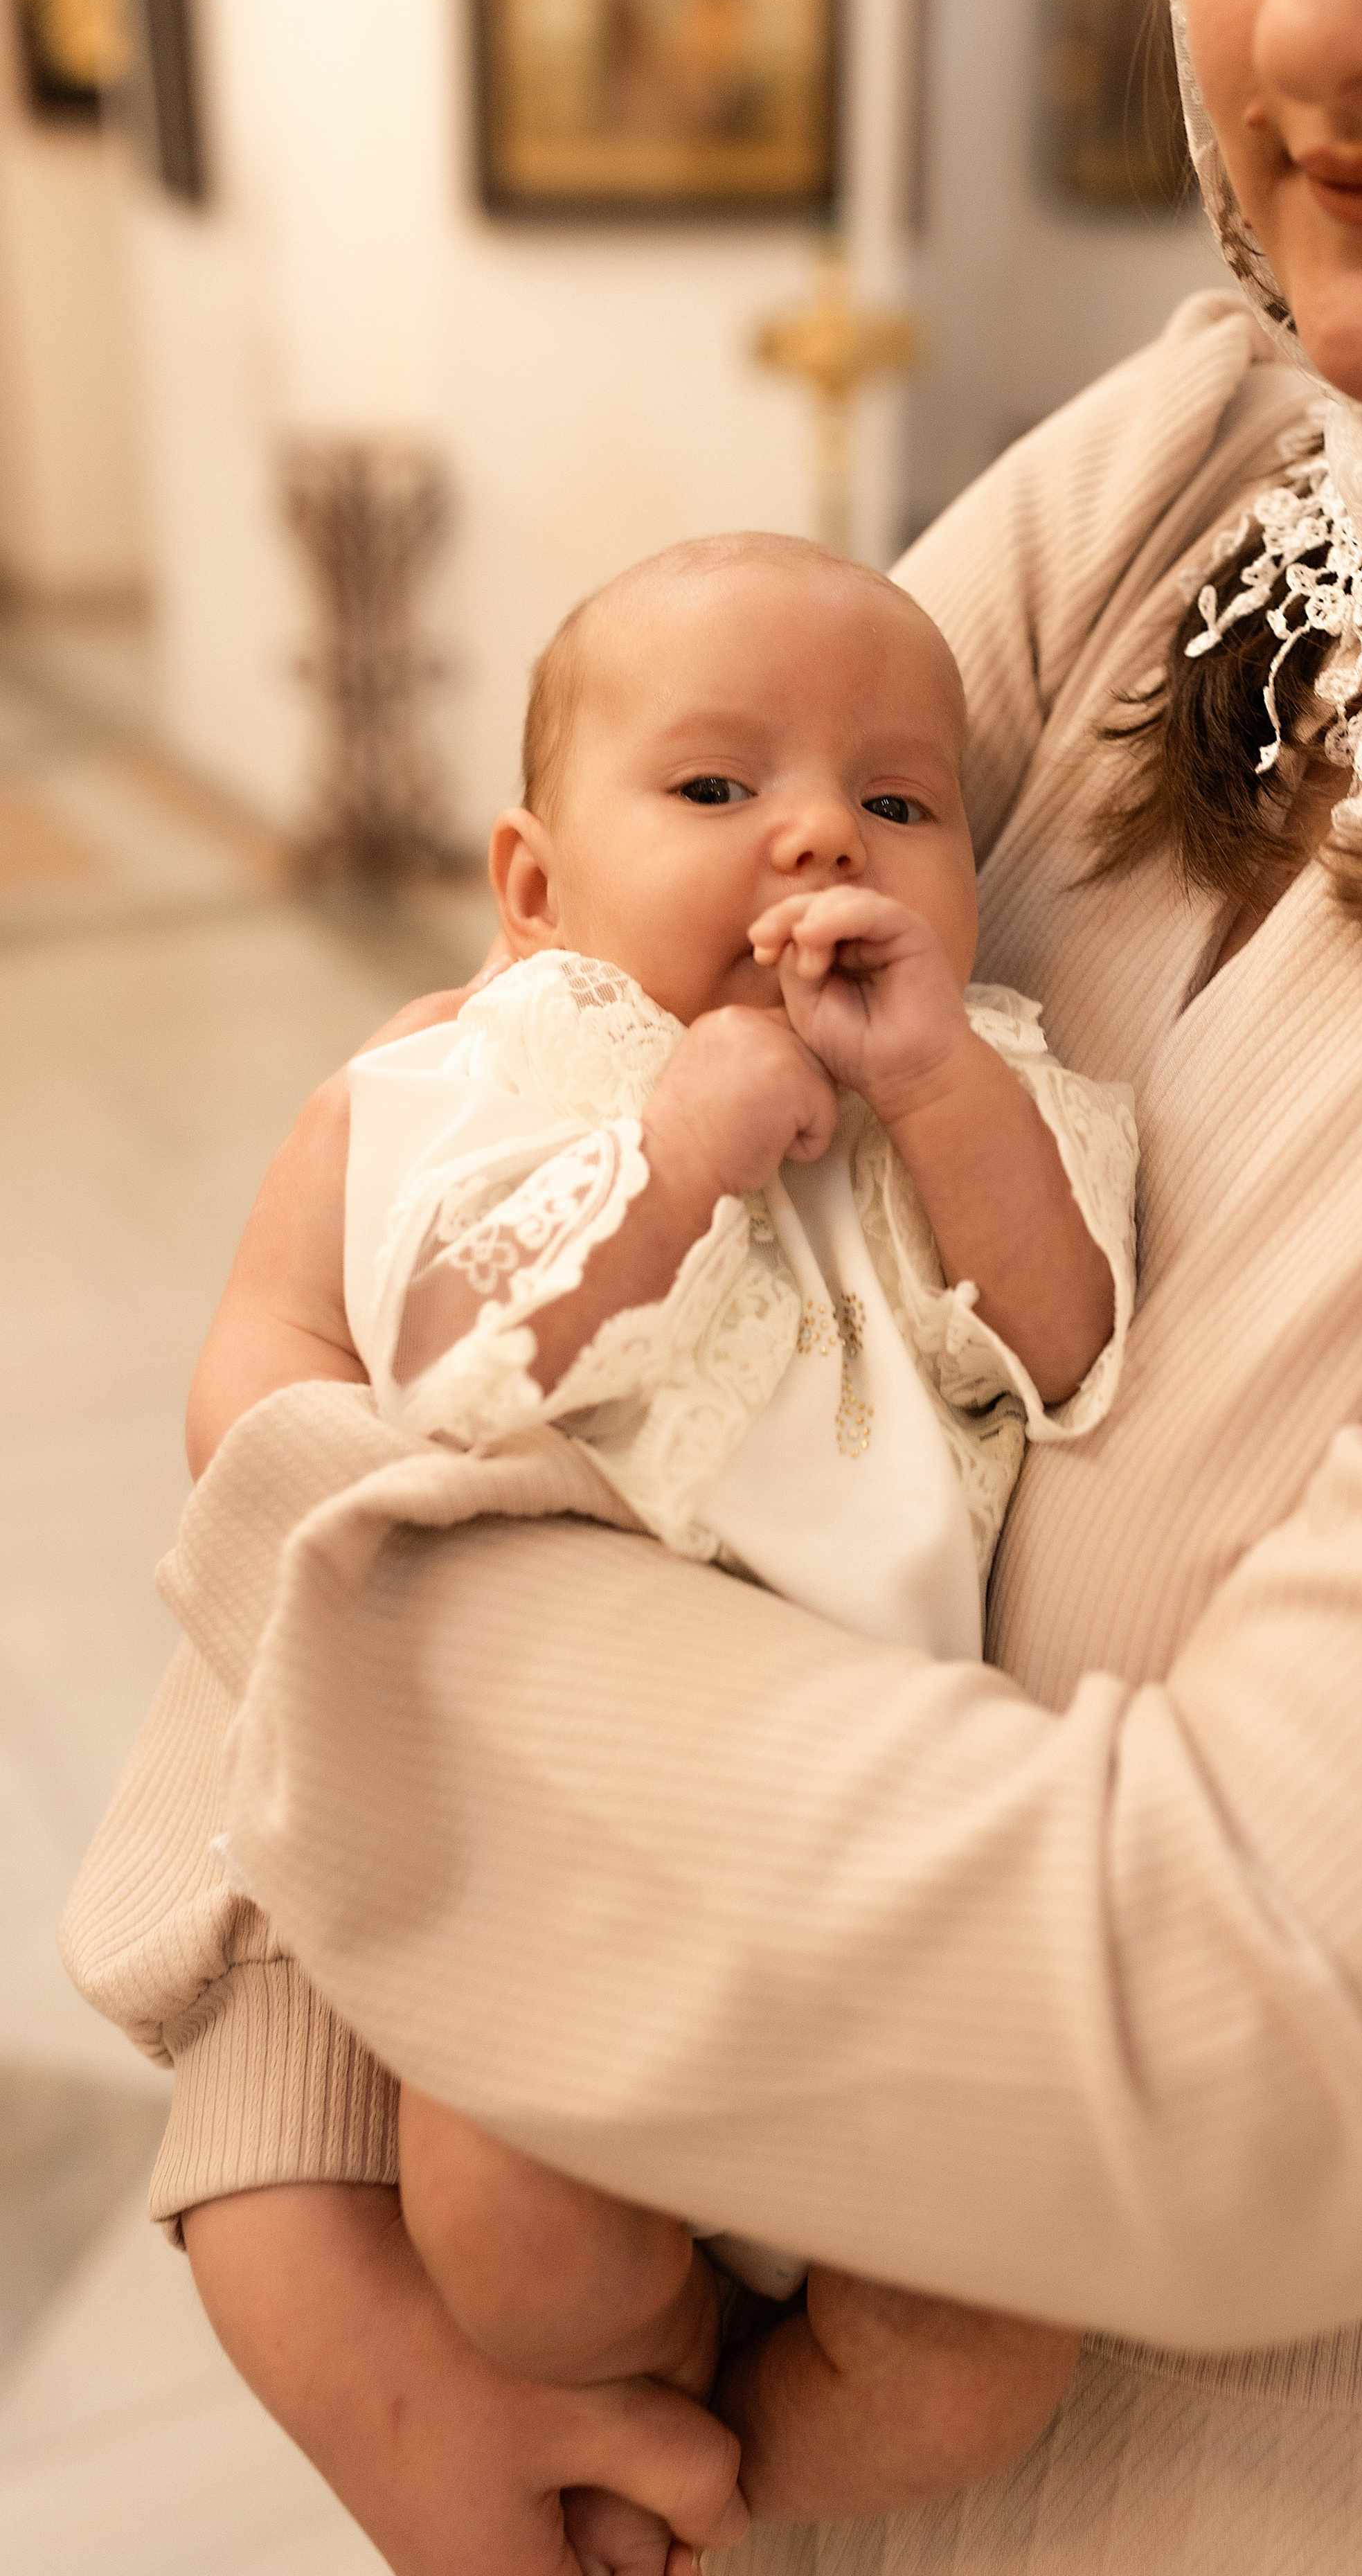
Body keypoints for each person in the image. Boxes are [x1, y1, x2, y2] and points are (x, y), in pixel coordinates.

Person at [62, 0, 1362, 2568]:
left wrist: (290, 1471)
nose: (1330, 19)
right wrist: (314, 2211)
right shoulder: (1208, 450)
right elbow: (504, 1131)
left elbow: (1243, 2028)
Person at [321, 537, 1131, 2573]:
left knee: (988, 2350)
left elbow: (1066, 1348)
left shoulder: (987, 1080)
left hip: (889, 1875)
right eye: (712, 788)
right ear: (535, 889)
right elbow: (451, 1362)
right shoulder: (505, 1068)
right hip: (576, 1838)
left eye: (899, 803)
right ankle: (649, 2374)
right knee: (514, 2241)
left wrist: (934, 1085)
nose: (819, 837)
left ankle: (747, 2475)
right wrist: (675, 1148)